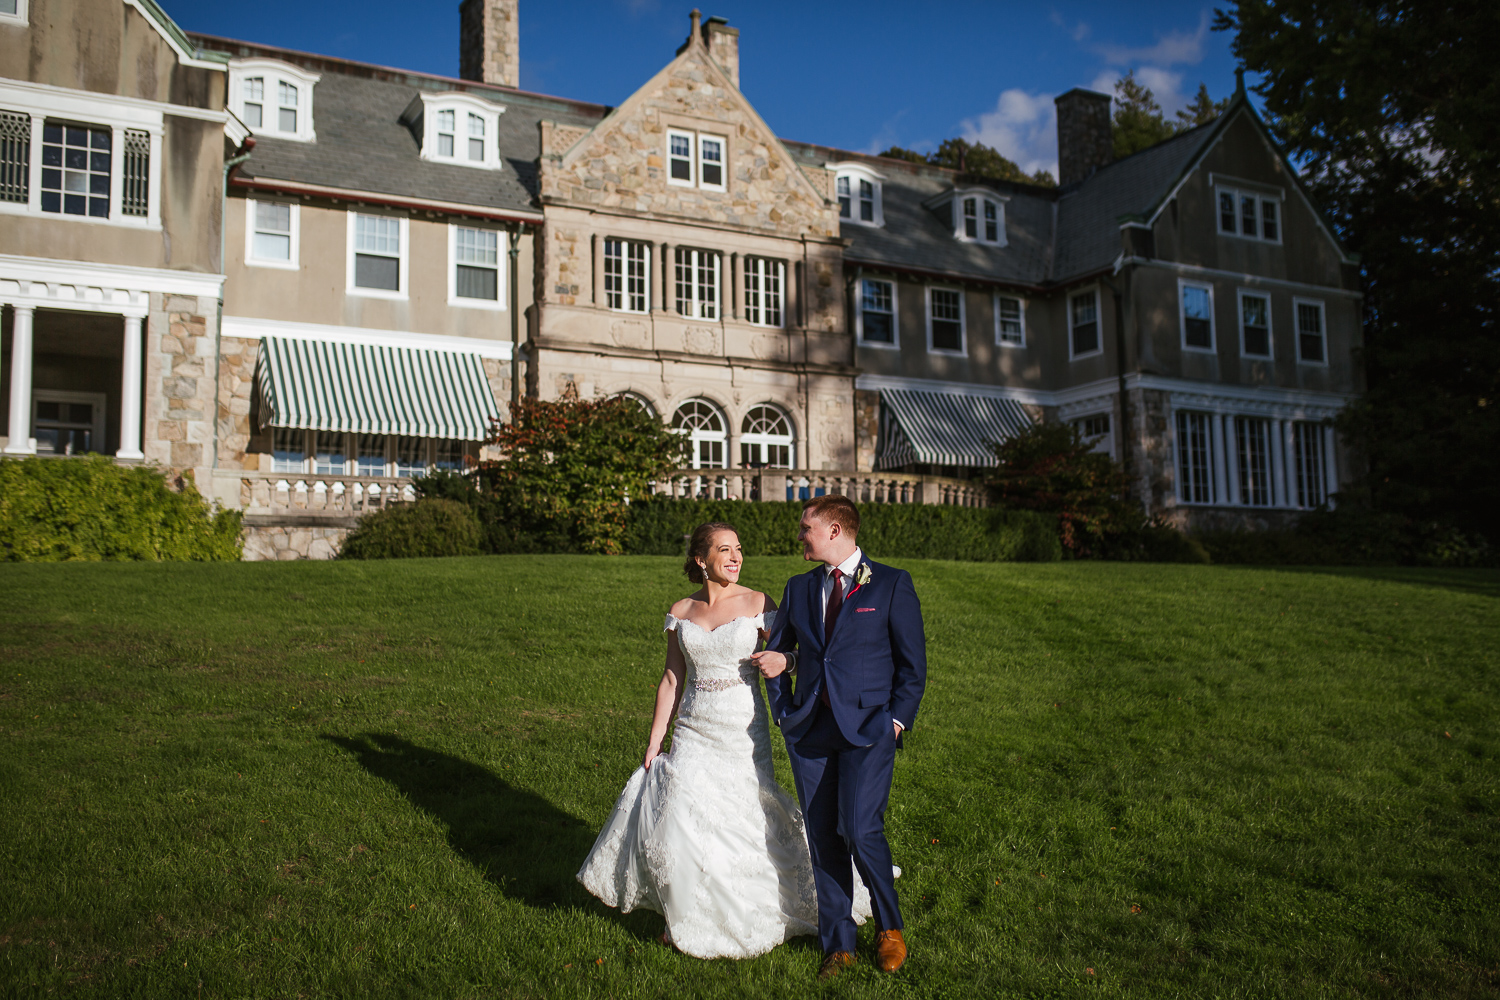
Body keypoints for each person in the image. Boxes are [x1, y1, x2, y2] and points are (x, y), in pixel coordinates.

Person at [576, 522, 883, 959]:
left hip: (742, 726)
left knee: (739, 815)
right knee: (682, 814)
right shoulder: (681, 610)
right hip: (693, 726)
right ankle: (684, 914)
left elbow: (796, 657)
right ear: (702, 560)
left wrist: (789, 665)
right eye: (725, 550)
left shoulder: (760, 603)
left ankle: (763, 900)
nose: (736, 557)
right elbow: (671, 677)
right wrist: (654, 740)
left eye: (739, 549)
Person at [751, 495, 927, 980]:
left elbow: (912, 667)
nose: (799, 535)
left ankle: (889, 929)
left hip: (869, 730)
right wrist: (785, 711)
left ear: (834, 531)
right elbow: (779, 651)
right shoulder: (800, 587)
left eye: (806, 527)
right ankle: (838, 943)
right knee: (823, 836)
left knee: (860, 827)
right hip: (810, 728)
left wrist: (895, 722)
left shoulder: (890, 583)